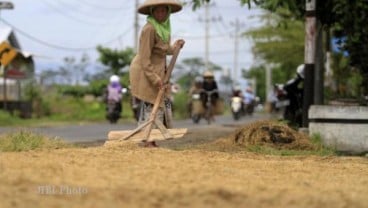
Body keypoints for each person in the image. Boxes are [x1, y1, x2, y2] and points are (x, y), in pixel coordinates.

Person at [129, 0, 185, 147]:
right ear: (152, 12)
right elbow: (144, 58)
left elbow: (164, 50)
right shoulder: (149, 29)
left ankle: (152, 138)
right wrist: (154, 78)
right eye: (158, 11)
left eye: (164, 11)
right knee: (152, 104)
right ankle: (148, 140)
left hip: (159, 71)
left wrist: (176, 46)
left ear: (167, 13)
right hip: (145, 71)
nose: (161, 14)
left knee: (159, 103)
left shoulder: (164, 28)